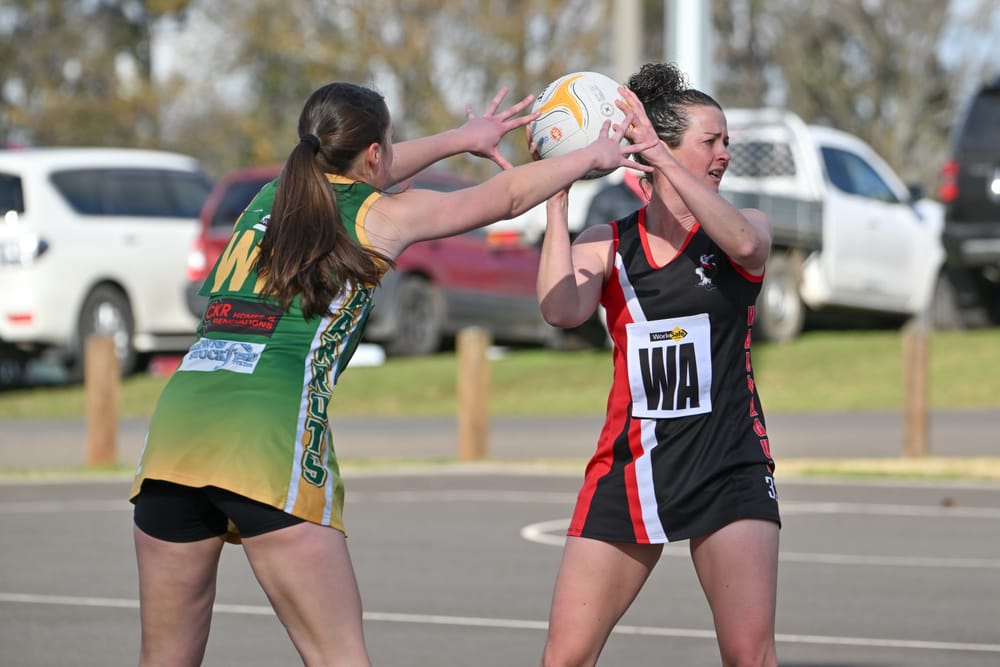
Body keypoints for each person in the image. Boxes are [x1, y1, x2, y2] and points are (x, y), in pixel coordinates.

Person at [128, 80, 650, 667]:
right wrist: (591, 156)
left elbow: (376, 162)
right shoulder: (380, 218)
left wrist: (462, 139)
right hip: (263, 437)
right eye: (389, 147)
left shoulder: (269, 198)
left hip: (174, 436)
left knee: (164, 659)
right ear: (375, 154)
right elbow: (502, 200)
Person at [534, 62, 780, 667]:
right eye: (710, 141)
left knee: (749, 655)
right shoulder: (608, 241)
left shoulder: (743, 230)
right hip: (632, 467)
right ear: (660, 146)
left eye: (727, 141)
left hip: (729, 464)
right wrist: (556, 201)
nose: (724, 154)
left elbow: (748, 249)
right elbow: (562, 310)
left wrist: (663, 160)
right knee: (565, 657)